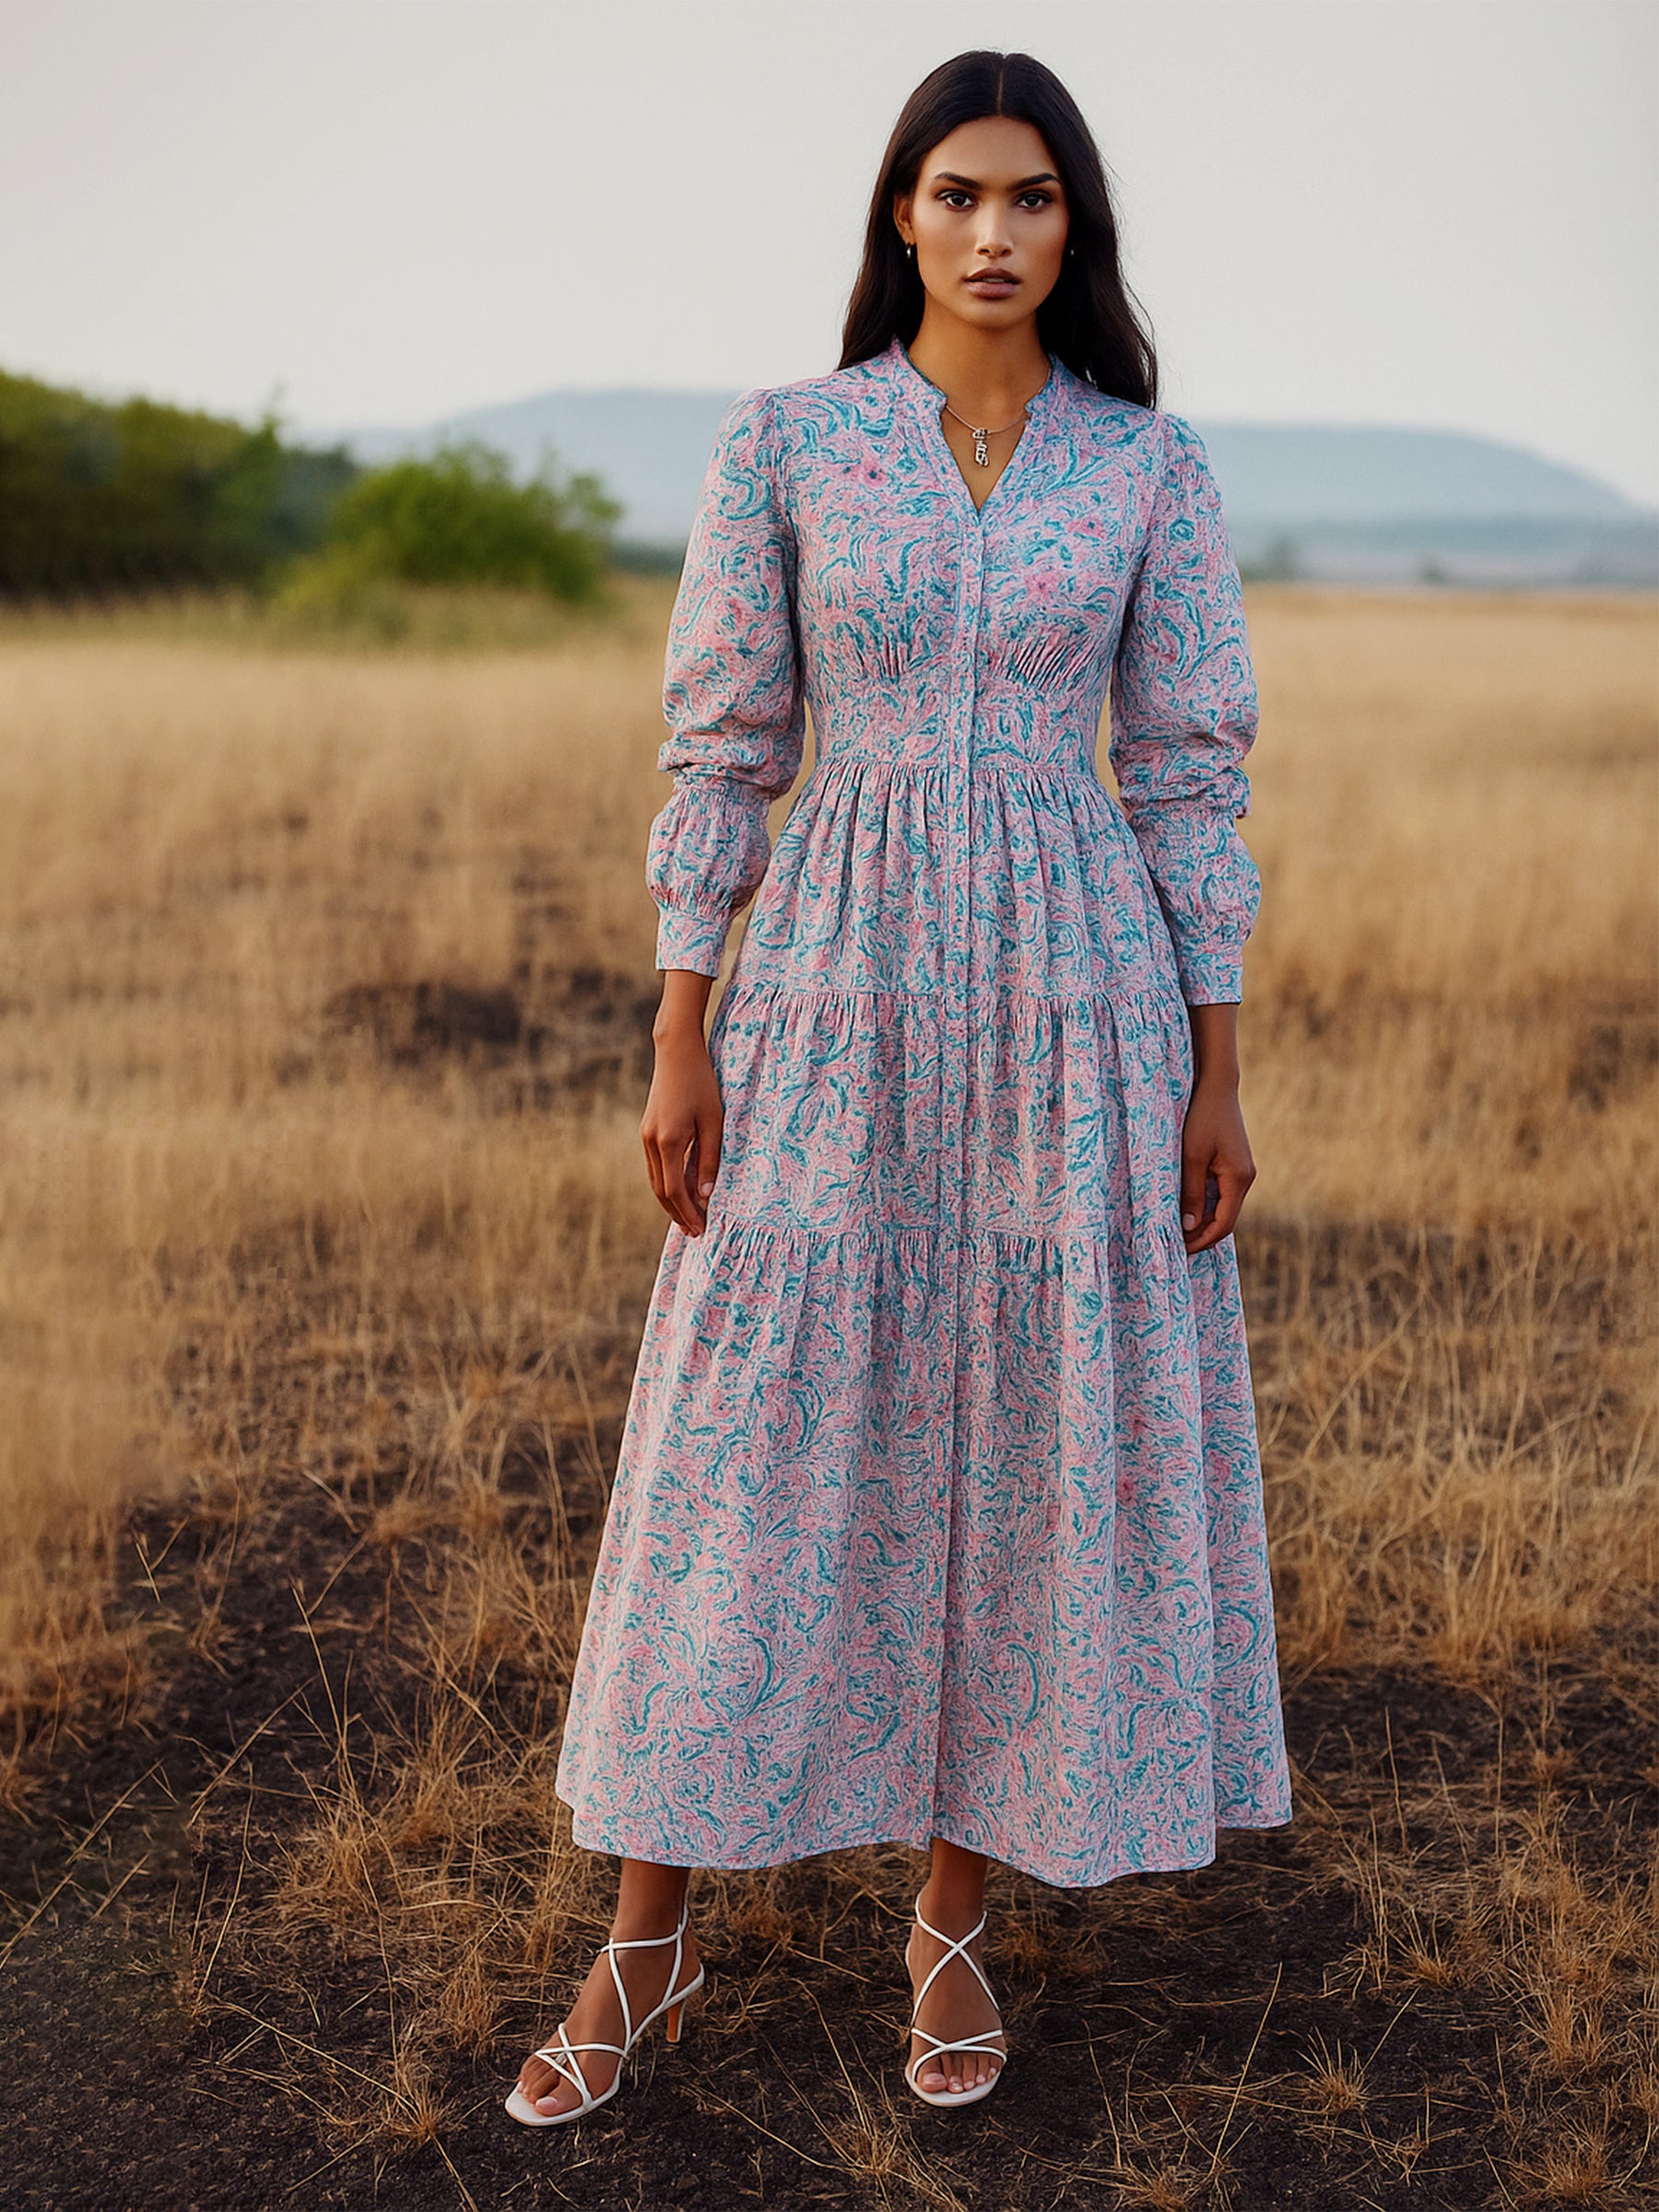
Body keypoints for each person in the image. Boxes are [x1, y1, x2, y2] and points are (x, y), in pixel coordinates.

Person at [508, 46, 1293, 2127]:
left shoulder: (1150, 467)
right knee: (743, 1441)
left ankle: (951, 1916)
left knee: (1025, 1440)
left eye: (1033, 200)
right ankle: (643, 1930)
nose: (995, 234)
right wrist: (683, 1020)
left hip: (1079, 1005)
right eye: (958, 195)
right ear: (899, 217)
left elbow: (1194, 773)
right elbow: (724, 743)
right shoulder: (787, 447)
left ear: (1074, 227)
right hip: (834, 985)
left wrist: (1217, 1069)